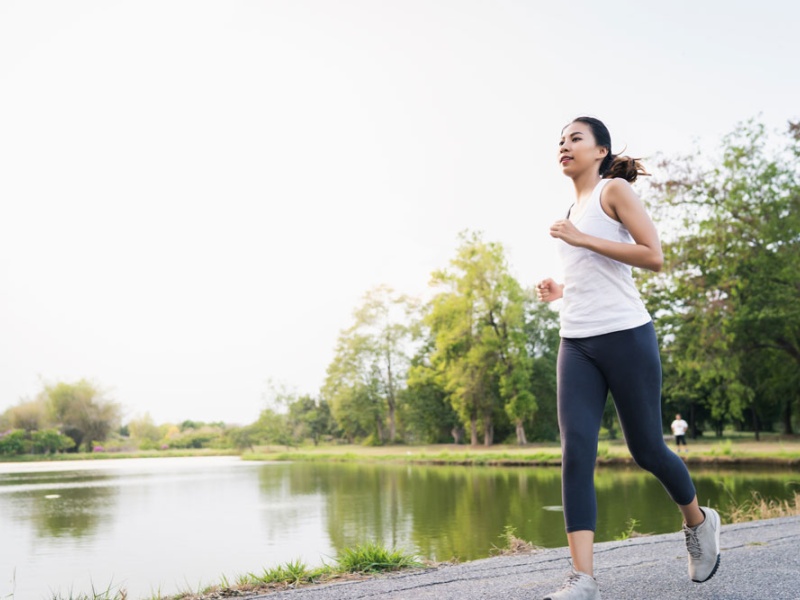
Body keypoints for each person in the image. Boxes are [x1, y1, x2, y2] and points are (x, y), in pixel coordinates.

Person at [535, 116, 720, 599]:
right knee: (576, 451)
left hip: (626, 336)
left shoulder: (612, 191)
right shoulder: (570, 208)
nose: (564, 145)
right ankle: (584, 580)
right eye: (560, 140)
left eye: (575, 138)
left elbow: (653, 254)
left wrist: (580, 239)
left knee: (647, 450)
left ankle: (699, 524)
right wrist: (560, 289)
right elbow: (593, 270)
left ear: (600, 151)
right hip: (575, 341)